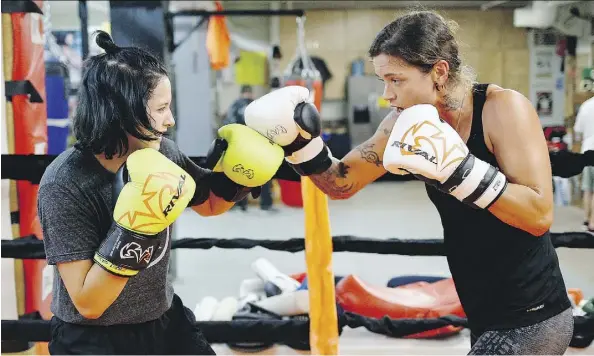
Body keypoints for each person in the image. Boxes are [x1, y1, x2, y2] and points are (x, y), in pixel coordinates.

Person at [243, 10, 574, 355]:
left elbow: (538, 215)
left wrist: (460, 171)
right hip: (483, 309)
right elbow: (342, 182)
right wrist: (301, 145)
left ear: (439, 72)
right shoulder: (400, 124)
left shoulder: (502, 108)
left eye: (396, 80)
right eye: (382, 81)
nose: (387, 94)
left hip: (533, 314)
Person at [38, 31, 283, 355]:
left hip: (163, 320)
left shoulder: (161, 151)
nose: (170, 120)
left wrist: (238, 176)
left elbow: (209, 204)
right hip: (94, 338)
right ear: (122, 112)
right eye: (161, 108)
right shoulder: (65, 184)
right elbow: (88, 303)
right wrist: (137, 227)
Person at [223, 85, 276, 212]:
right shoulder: (256, 105)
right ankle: (266, 203)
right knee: (263, 175)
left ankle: (239, 204)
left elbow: (228, 123)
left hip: (240, 146)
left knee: (239, 174)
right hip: (256, 146)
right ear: (250, 93)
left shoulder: (235, 105)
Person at [573, 96, 594, 232]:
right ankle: (593, 222)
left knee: (587, 188)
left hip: (587, 150)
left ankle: (586, 220)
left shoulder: (586, 105)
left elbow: (577, 131)